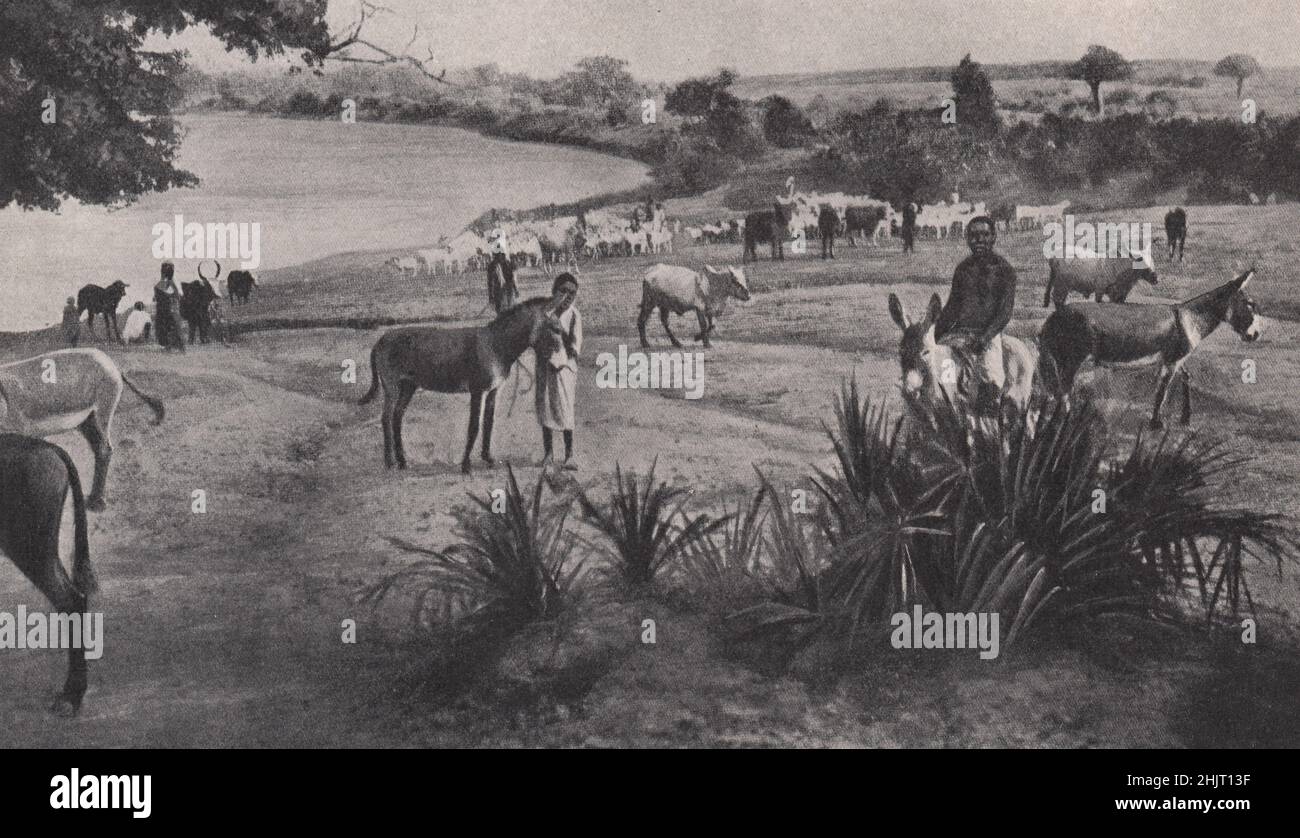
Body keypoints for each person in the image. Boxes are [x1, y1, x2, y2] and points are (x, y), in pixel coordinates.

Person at [933, 216, 1016, 416]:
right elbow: (953, 305)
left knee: (991, 381)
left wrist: (985, 338)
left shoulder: (1004, 271)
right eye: (974, 236)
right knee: (945, 382)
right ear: (967, 239)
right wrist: (938, 333)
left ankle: (990, 431)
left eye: (985, 235)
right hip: (959, 337)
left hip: (987, 338)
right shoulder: (963, 270)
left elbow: (1004, 313)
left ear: (994, 237)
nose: (979, 240)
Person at [536, 272, 582, 471]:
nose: (568, 296)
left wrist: (559, 332)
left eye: (572, 293)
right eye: (563, 291)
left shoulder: (574, 315)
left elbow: (575, 347)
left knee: (565, 409)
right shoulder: (544, 313)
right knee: (546, 408)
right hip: (545, 366)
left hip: (565, 368)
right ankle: (548, 453)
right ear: (554, 292)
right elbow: (534, 338)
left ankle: (569, 454)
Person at [153, 261, 185, 352]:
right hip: (171, 310)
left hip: (166, 310)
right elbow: (177, 295)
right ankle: (174, 346)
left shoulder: (163, 283)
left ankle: (170, 346)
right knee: (172, 327)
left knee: (167, 327)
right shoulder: (171, 283)